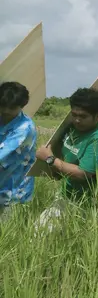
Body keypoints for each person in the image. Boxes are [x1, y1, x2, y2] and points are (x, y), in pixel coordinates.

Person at [34, 87, 98, 234]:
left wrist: (49, 159)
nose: (77, 120)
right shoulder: (71, 128)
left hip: (97, 203)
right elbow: (63, 156)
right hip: (69, 194)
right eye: (74, 115)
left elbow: (83, 174)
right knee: (39, 231)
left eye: (83, 116)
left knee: (85, 245)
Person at [0, 81, 37, 221]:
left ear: (22, 106)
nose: (6, 111)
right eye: (3, 106)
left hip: (13, 190)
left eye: (12, 107)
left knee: (6, 234)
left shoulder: (24, 129)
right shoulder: (2, 118)